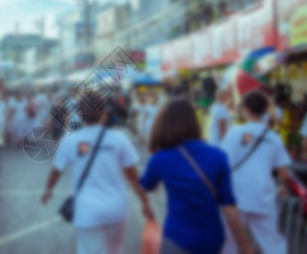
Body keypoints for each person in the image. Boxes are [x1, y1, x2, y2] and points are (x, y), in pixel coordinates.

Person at [41, 91, 154, 254]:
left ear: (79, 113)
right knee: (114, 251)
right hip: (117, 209)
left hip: (87, 211)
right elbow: (133, 177)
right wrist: (145, 203)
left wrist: (48, 190)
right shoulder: (119, 139)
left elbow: (56, 170)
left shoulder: (71, 140)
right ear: (104, 111)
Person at [140, 97, 253, 254]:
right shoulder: (218, 156)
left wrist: (145, 202)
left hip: (177, 238)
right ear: (195, 122)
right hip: (211, 240)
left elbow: (145, 185)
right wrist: (243, 244)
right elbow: (229, 206)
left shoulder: (160, 159)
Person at [221, 90, 291, 254]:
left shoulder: (234, 133)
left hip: (236, 197)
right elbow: (284, 172)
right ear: (264, 110)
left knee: (229, 242)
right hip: (264, 197)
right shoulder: (274, 137)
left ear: (244, 109)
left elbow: (223, 165)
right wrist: (284, 186)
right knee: (272, 242)